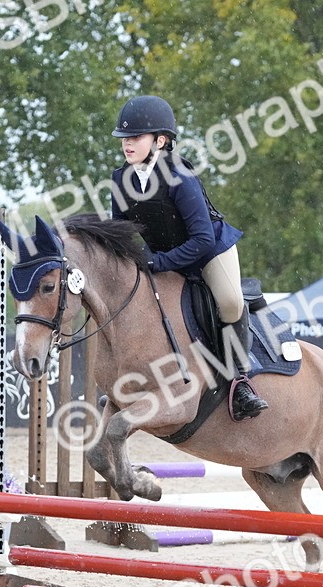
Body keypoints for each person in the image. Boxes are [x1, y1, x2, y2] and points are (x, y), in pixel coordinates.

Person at [109, 95, 268, 421]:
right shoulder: (119, 179)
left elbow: (202, 238)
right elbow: (121, 234)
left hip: (209, 252)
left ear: (160, 140)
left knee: (230, 302)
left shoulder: (179, 175)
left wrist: (160, 263)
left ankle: (240, 381)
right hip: (163, 257)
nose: (127, 144)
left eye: (136, 137)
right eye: (125, 138)